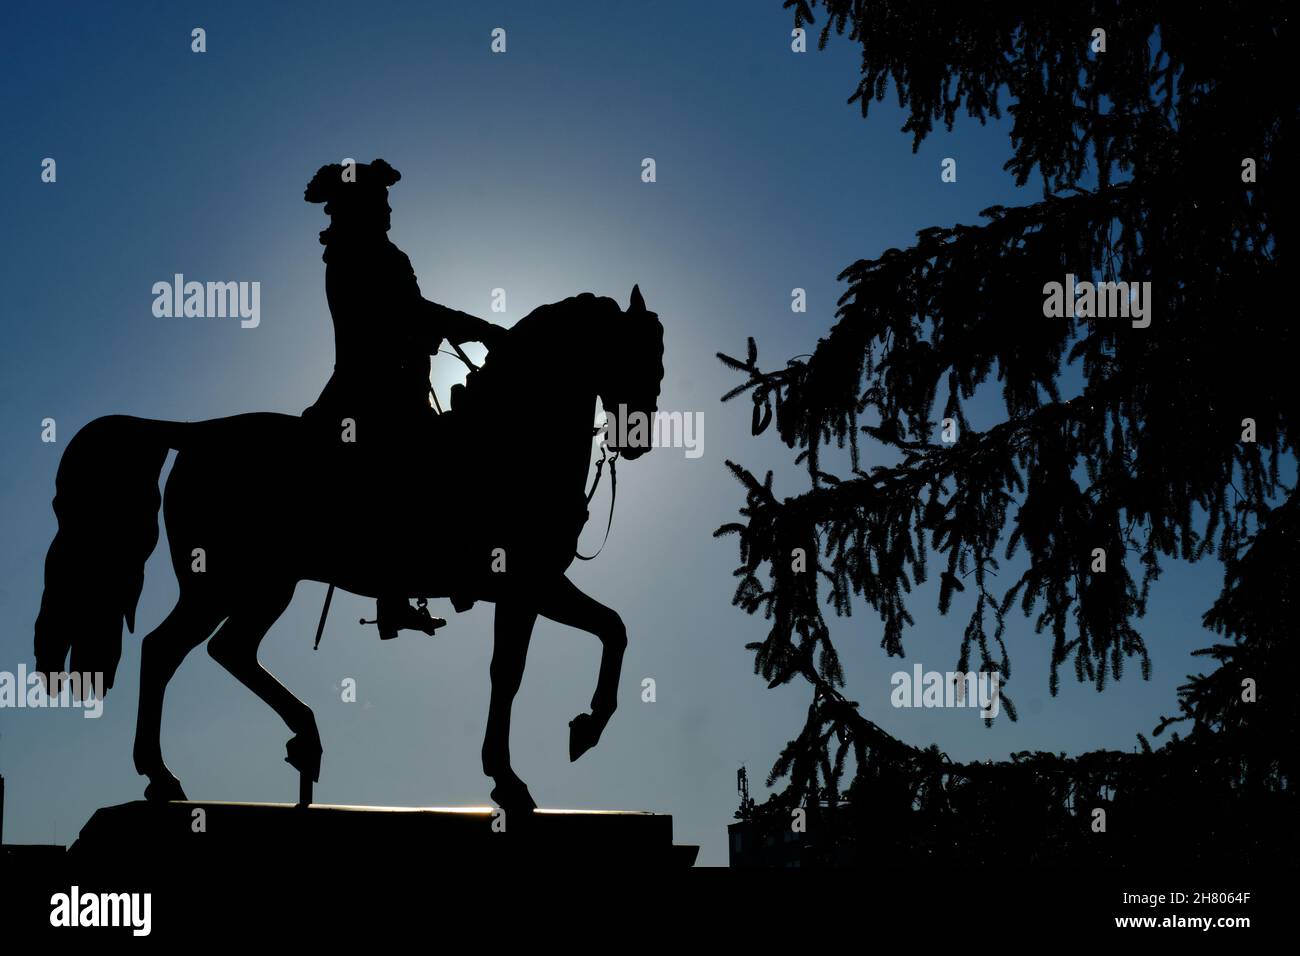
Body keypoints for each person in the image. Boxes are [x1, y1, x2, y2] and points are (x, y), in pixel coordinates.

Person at [302, 158, 504, 639]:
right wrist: (483, 330)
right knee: (434, 466)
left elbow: (410, 317)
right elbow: (407, 313)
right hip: (372, 395)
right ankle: (420, 586)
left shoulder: (374, 252)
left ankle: (418, 586)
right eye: (383, 201)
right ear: (362, 205)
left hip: (396, 388)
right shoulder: (362, 253)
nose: (390, 210)